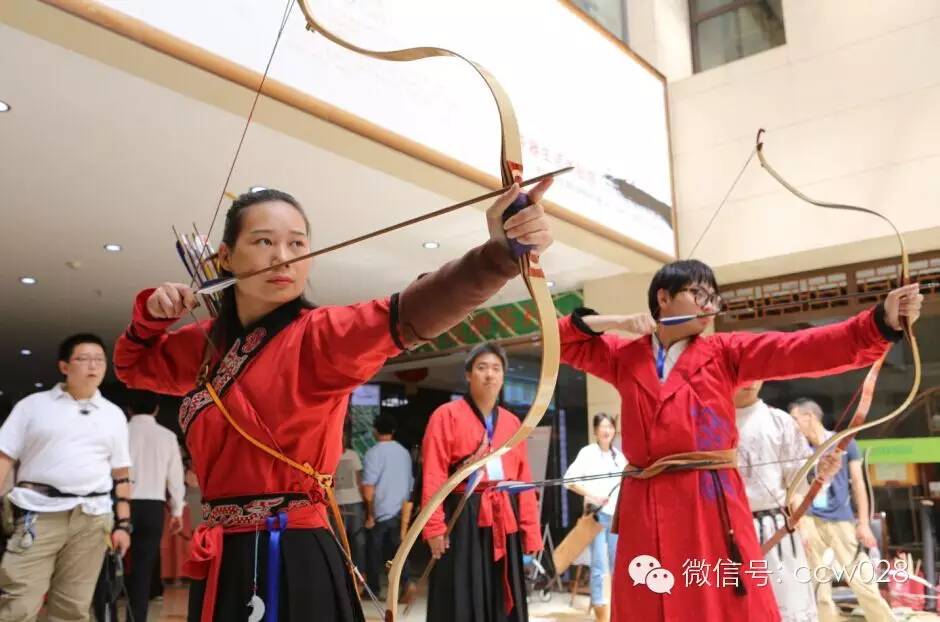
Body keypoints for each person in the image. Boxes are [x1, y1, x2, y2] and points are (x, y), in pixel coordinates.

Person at [113, 182, 553, 622]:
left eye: (297, 244)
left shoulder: (320, 334)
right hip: (222, 549)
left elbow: (412, 311)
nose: (282, 256)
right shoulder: (205, 343)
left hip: (291, 548)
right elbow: (133, 368)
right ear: (225, 257)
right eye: (264, 241)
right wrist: (150, 319)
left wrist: (498, 256)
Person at [558, 258, 922, 622]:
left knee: (722, 603)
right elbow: (560, 340)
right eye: (698, 294)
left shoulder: (724, 352)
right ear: (663, 298)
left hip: (709, 502)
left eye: (713, 297)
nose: (709, 305)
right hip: (644, 503)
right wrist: (615, 322)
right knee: (649, 599)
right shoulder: (625, 356)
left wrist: (881, 323)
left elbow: (802, 348)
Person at [0, 334, 132, 621]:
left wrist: (123, 524)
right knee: (19, 602)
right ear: (64, 366)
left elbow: (121, 474)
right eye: (83, 359)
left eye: (99, 360)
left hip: (93, 518)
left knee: (73, 606)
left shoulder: (113, 415)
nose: (92, 366)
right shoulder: (33, 406)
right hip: (37, 514)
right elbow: (4, 457)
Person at [421, 342, 543, 622]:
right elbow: (433, 474)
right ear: (468, 375)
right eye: (482, 368)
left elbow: (523, 480)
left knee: (503, 591)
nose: (490, 374)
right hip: (463, 514)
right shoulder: (446, 415)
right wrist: (434, 527)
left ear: (503, 376)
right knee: (462, 590)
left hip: (504, 514)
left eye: (496, 369)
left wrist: (530, 530)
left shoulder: (513, 423)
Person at [734, 381, 839, 622]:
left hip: (774, 529)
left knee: (788, 605)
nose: (750, 382)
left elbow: (799, 483)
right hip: (725, 531)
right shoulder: (708, 422)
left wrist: (821, 471)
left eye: (756, 374)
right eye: (742, 374)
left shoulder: (780, 421)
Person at [789, 398, 896, 622]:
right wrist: (798, 524)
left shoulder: (844, 443)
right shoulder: (797, 448)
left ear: (809, 417)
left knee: (863, 580)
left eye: (794, 419)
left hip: (840, 518)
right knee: (818, 586)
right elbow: (795, 489)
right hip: (809, 519)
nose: (792, 424)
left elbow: (858, 483)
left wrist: (863, 523)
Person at [125, 390, 186, 622]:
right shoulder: (168, 436)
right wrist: (177, 510)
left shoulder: (119, 431)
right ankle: (137, 619)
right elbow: (175, 477)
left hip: (120, 503)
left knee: (109, 565)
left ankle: (105, 615)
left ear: (129, 409)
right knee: (143, 567)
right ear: (157, 409)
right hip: (153, 506)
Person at [563, 413, 627, 622]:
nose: (607, 430)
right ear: (595, 431)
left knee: (618, 566)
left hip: (617, 518)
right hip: (597, 517)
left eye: (610, 426)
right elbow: (568, 481)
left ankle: (618, 610)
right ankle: (601, 616)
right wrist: (593, 495)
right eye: (602, 427)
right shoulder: (588, 453)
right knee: (600, 566)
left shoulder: (619, 456)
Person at [361, 414, 413, 598]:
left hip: (380, 511)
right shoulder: (404, 452)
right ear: (393, 431)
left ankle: (374, 590)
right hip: (402, 509)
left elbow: (368, 487)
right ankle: (406, 584)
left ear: (375, 430)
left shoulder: (373, 453)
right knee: (399, 551)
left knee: (373, 552)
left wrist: (369, 514)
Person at [335, 433, 366, 591]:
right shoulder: (330, 454)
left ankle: (360, 577)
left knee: (358, 541)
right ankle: (341, 577)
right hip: (335, 504)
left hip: (354, 502)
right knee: (339, 543)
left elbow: (359, 479)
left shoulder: (352, 455)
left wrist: (365, 502)